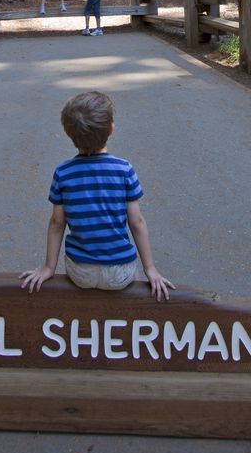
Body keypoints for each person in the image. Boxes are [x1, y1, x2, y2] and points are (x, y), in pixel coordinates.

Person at [20, 91, 174, 301]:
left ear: (69, 133)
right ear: (111, 129)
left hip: (80, 272)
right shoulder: (124, 170)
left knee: (86, 279)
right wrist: (150, 269)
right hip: (120, 272)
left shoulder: (63, 173)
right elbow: (136, 222)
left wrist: (48, 267)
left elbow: (57, 224)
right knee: (133, 279)